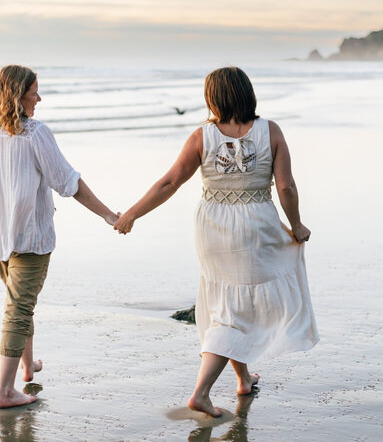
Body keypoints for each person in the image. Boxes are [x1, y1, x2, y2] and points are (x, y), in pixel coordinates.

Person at [114, 66, 318, 417]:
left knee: (229, 301)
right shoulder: (271, 131)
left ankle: (242, 379)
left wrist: (132, 213)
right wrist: (296, 225)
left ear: (213, 97)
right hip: (257, 224)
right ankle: (201, 392)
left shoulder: (202, 137)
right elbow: (285, 186)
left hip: (213, 227)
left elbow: (169, 183)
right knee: (237, 306)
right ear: (247, 92)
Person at [0, 65, 118, 409]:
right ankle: (5, 391)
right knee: (18, 308)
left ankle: (27, 365)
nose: (39, 99)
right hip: (29, 237)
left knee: (19, 302)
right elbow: (68, 182)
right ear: (18, 95)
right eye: (34, 92)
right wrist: (108, 214)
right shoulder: (34, 133)